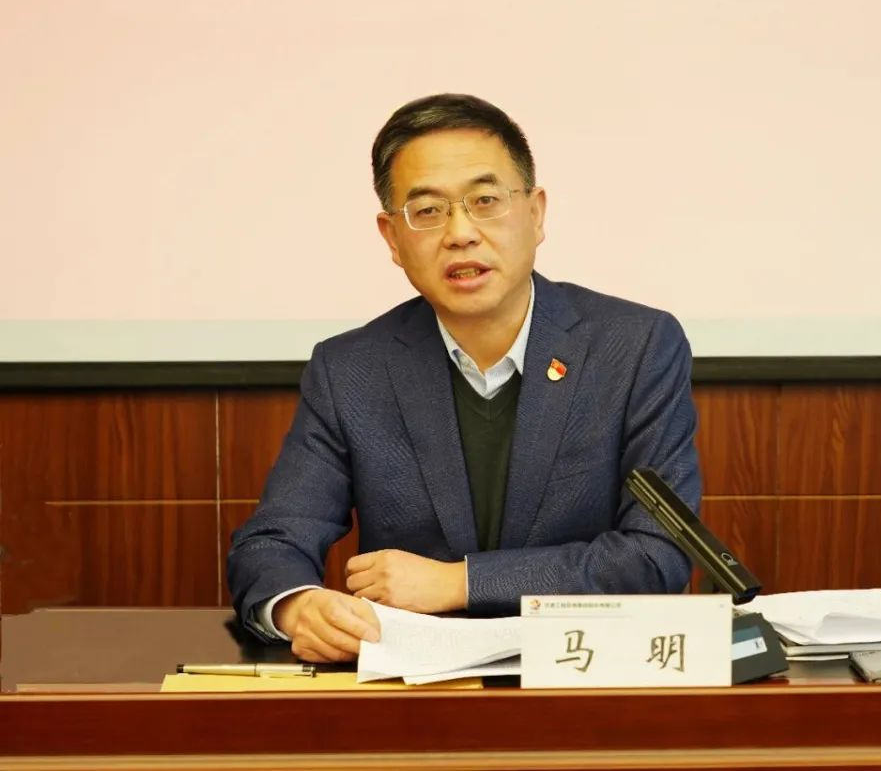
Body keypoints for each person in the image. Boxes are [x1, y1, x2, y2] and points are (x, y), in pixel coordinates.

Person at [227, 93, 702, 663]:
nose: (460, 233)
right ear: (392, 238)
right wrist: (296, 605)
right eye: (428, 211)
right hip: (416, 690)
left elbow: (657, 553)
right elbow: (273, 540)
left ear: (536, 214)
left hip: (588, 673)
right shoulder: (351, 369)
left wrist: (460, 582)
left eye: (485, 201)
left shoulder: (635, 347)